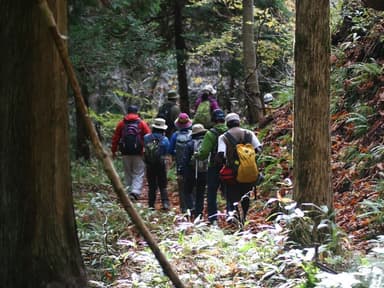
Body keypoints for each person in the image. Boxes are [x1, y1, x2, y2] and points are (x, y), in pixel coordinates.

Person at [216, 112, 262, 223]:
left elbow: (221, 154)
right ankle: (244, 217)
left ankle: (235, 217)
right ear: (238, 122)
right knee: (245, 194)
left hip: (232, 172)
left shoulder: (223, 137)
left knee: (232, 195)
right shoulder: (249, 134)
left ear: (227, 124)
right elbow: (259, 149)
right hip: (248, 171)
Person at [194, 109, 227, 225]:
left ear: (213, 120)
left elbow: (203, 153)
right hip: (229, 167)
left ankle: (213, 220)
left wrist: (196, 155)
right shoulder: (230, 131)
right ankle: (232, 217)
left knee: (212, 193)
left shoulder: (210, 134)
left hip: (214, 167)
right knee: (229, 193)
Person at [111, 105, 151, 200]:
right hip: (139, 152)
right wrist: (147, 150)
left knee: (128, 172)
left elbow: (115, 138)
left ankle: (129, 191)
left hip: (125, 152)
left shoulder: (121, 124)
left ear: (127, 112)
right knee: (138, 172)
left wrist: (113, 151)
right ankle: (135, 192)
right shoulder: (141, 123)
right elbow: (149, 136)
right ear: (137, 112)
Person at [182, 124, 208, 220]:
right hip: (204, 171)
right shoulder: (206, 143)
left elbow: (185, 159)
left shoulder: (190, 143)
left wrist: (182, 171)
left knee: (187, 191)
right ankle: (199, 213)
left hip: (191, 171)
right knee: (200, 193)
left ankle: (191, 207)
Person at [143, 118, 171, 210]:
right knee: (162, 185)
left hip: (149, 164)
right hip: (161, 164)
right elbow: (167, 151)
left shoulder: (146, 137)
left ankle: (151, 205)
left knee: (152, 185)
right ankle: (165, 203)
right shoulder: (165, 139)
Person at [168, 113, 193, 213]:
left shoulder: (175, 135)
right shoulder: (192, 134)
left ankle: (183, 208)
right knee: (192, 186)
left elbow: (170, 150)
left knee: (182, 187)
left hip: (180, 166)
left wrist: (176, 153)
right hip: (191, 165)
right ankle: (192, 207)